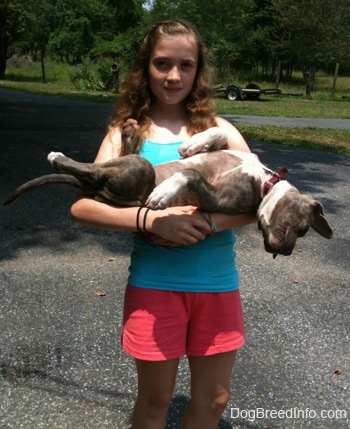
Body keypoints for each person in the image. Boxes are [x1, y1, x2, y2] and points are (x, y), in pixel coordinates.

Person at [71, 19, 255, 429]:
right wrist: (151, 220)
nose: (173, 76)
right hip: (156, 287)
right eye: (162, 63)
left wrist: (208, 221)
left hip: (216, 285)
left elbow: (263, 199)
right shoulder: (126, 135)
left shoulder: (220, 133)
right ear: (145, 68)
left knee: (215, 401)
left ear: (198, 71)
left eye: (185, 65)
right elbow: (82, 207)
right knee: (156, 401)